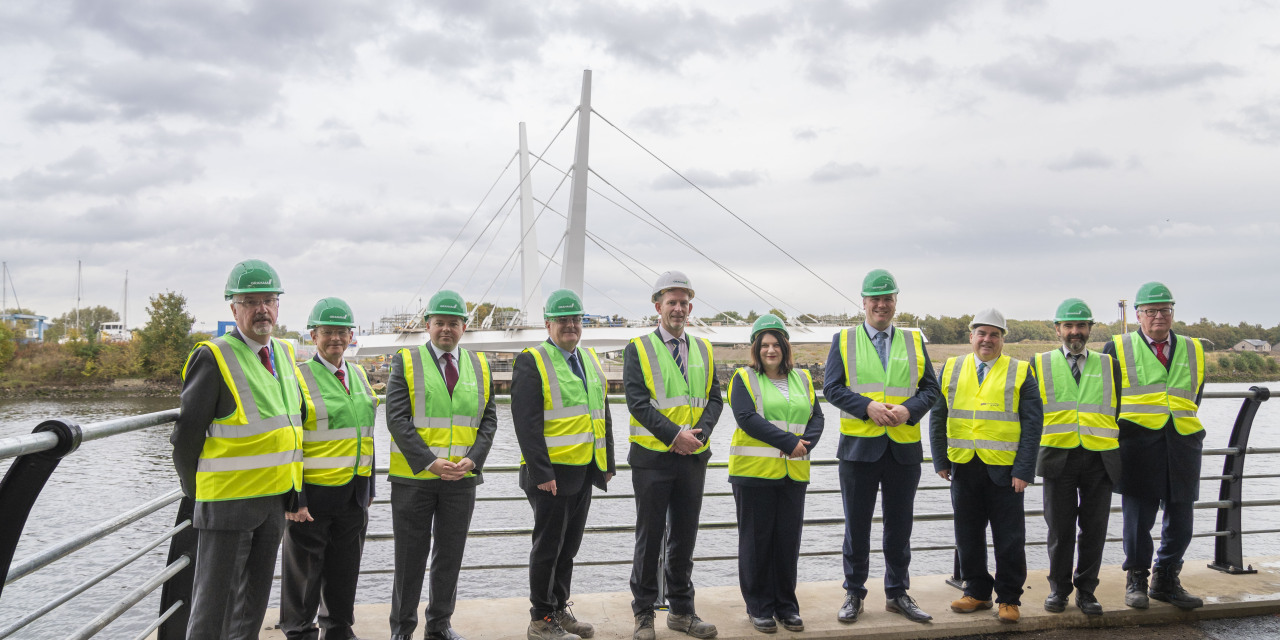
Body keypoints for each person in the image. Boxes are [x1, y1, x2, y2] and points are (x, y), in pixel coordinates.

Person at [170, 259, 305, 640]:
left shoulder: (282, 353)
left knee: (251, 609)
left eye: (269, 300)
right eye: (250, 301)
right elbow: (186, 438)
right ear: (234, 309)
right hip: (228, 504)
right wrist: (198, 494)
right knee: (214, 611)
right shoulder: (213, 357)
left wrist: (293, 490)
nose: (261, 309)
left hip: (273, 501)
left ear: (277, 305)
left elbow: (290, 425)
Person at [823, 269, 938, 625]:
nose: (882, 305)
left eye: (888, 298)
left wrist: (910, 410)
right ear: (864, 302)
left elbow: (931, 390)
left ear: (895, 302)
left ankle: (897, 592)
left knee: (899, 526)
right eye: (875, 299)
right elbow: (831, 388)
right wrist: (866, 406)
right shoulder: (843, 340)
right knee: (857, 527)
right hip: (859, 449)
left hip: (903, 449)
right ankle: (854, 593)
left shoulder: (913, 341)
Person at [386, 290, 498, 640]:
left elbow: (488, 420)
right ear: (427, 325)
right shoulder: (405, 360)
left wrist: (474, 459)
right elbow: (397, 419)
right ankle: (402, 629)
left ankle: (439, 625)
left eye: (453, 323)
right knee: (410, 559)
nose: (446, 329)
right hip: (414, 479)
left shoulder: (480, 366)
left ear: (465, 327)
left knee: (449, 556)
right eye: (439, 323)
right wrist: (430, 462)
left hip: (461, 480)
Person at [624, 271, 723, 640]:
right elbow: (637, 403)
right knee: (649, 539)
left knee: (684, 537)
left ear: (690, 307)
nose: (678, 309)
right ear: (658, 306)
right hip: (653, 458)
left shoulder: (705, 348)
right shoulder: (639, 347)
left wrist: (699, 436)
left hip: (693, 457)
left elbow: (714, 399)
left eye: (684, 303)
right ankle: (644, 613)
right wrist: (673, 436)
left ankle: (682, 611)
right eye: (671, 302)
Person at [513, 289, 616, 640]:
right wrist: (542, 473)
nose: (570, 326)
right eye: (563, 320)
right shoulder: (533, 360)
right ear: (548, 324)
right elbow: (525, 423)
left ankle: (558, 607)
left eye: (575, 319)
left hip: (584, 469)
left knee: (568, 548)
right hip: (551, 475)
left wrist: (607, 462)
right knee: (548, 548)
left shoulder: (588, 360)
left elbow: (602, 414)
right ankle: (540, 618)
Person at [929, 308, 1042, 624]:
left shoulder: (1020, 371)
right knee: (967, 535)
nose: (987, 340)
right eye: (982, 333)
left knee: (1009, 538)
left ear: (1003, 339)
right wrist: (940, 458)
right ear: (971, 336)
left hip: (1005, 470)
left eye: (994, 334)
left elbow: (1033, 425)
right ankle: (977, 592)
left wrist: (1023, 470)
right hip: (963, 465)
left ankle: (1009, 598)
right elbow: (939, 415)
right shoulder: (952, 367)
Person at [1103, 282, 1206, 610]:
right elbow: (1107, 400)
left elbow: (1195, 394)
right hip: (1136, 443)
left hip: (1182, 441)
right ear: (1138, 316)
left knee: (1182, 516)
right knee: (1138, 518)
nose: (1158, 316)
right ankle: (1136, 578)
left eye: (1164, 310)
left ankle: (1166, 578)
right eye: (1151, 311)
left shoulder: (1194, 348)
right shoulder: (1116, 347)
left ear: (1172, 313)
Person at [281, 297, 378, 640]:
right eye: (328, 332)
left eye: (342, 332)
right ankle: (299, 631)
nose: (336, 338)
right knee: (304, 574)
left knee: (344, 569)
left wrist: (369, 488)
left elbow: (365, 434)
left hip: (353, 493)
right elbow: (289, 442)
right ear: (313, 336)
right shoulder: (298, 378)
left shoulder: (359, 374)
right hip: (313, 495)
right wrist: (295, 498)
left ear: (352, 335)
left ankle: (338, 629)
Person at [728, 315, 825, 633]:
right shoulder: (743, 377)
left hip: (793, 473)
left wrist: (804, 447)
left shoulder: (803, 378)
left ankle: (786, 605)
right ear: (756, 348)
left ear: (785, 347)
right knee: (756, 542)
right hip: (754, 472)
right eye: (764, 344)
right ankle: (759, 606)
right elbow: (746, 418)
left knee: (787, 542)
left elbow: (817, 418)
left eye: (776, 344)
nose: (771, 350)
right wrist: (789, 443)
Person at [1034, 299, 1121, 616]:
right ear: (1057, 329)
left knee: (1095, 528)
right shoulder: (1039, 363)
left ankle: (1087, 591)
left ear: (1090, 329)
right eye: (1068, 326)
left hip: (1100, 458)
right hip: (1058, 457)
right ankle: (1058, 590)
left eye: (1081, 325)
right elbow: (1031, 414)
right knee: (1059, 529)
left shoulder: (1109, 365)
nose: (1075, 332)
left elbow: (1118, 408)